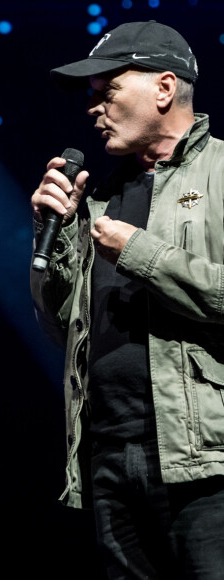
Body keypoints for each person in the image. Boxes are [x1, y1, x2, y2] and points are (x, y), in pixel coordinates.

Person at [31, 20, 224, 579]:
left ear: (164, 89)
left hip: (205, 460)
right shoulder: (103, 198)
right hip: (111, 457)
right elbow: (62, 328)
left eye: (107, 90)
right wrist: (56, 236)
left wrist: (139, 250)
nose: (93, 108)